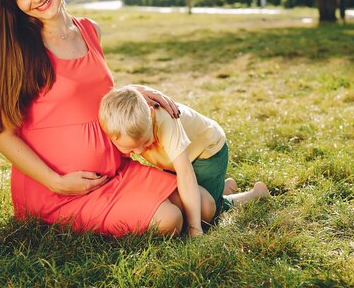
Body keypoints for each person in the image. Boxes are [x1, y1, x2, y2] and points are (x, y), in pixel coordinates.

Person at [0, 0, 209, 237]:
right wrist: (54, 181)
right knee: (170, 221)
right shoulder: (19, 51)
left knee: (203, 206)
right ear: (13, 5)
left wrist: (131, 91)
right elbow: (1, 135)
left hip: (114, 170)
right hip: (59, 191)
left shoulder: (90, 31)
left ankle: (227, 197)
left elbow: (88, 93)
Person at [98, 86, 271, 226]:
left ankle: (255, 194)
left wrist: (195, 228)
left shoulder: (166, 122)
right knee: (193, 198)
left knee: (208, 213)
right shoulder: (119, 122)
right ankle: (223, 187)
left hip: (206, 152)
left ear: (150, 116)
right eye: (131, 148)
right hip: (176, 160)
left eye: (145, 143)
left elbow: (185, 175)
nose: (139, 151)